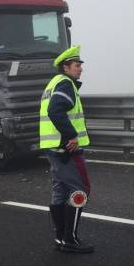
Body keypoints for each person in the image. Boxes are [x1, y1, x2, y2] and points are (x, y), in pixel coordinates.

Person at [39, 45, 94, 253]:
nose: (80, 69)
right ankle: (70, 239)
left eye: (80, 65)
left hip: (53, 147)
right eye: (77, 65)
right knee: (81, 189)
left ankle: (60, 238)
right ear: (66, 67)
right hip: (66, 149)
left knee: (60, 190)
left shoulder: (53, 83)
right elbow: (55, 110)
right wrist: (71, 135)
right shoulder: (65, 84)